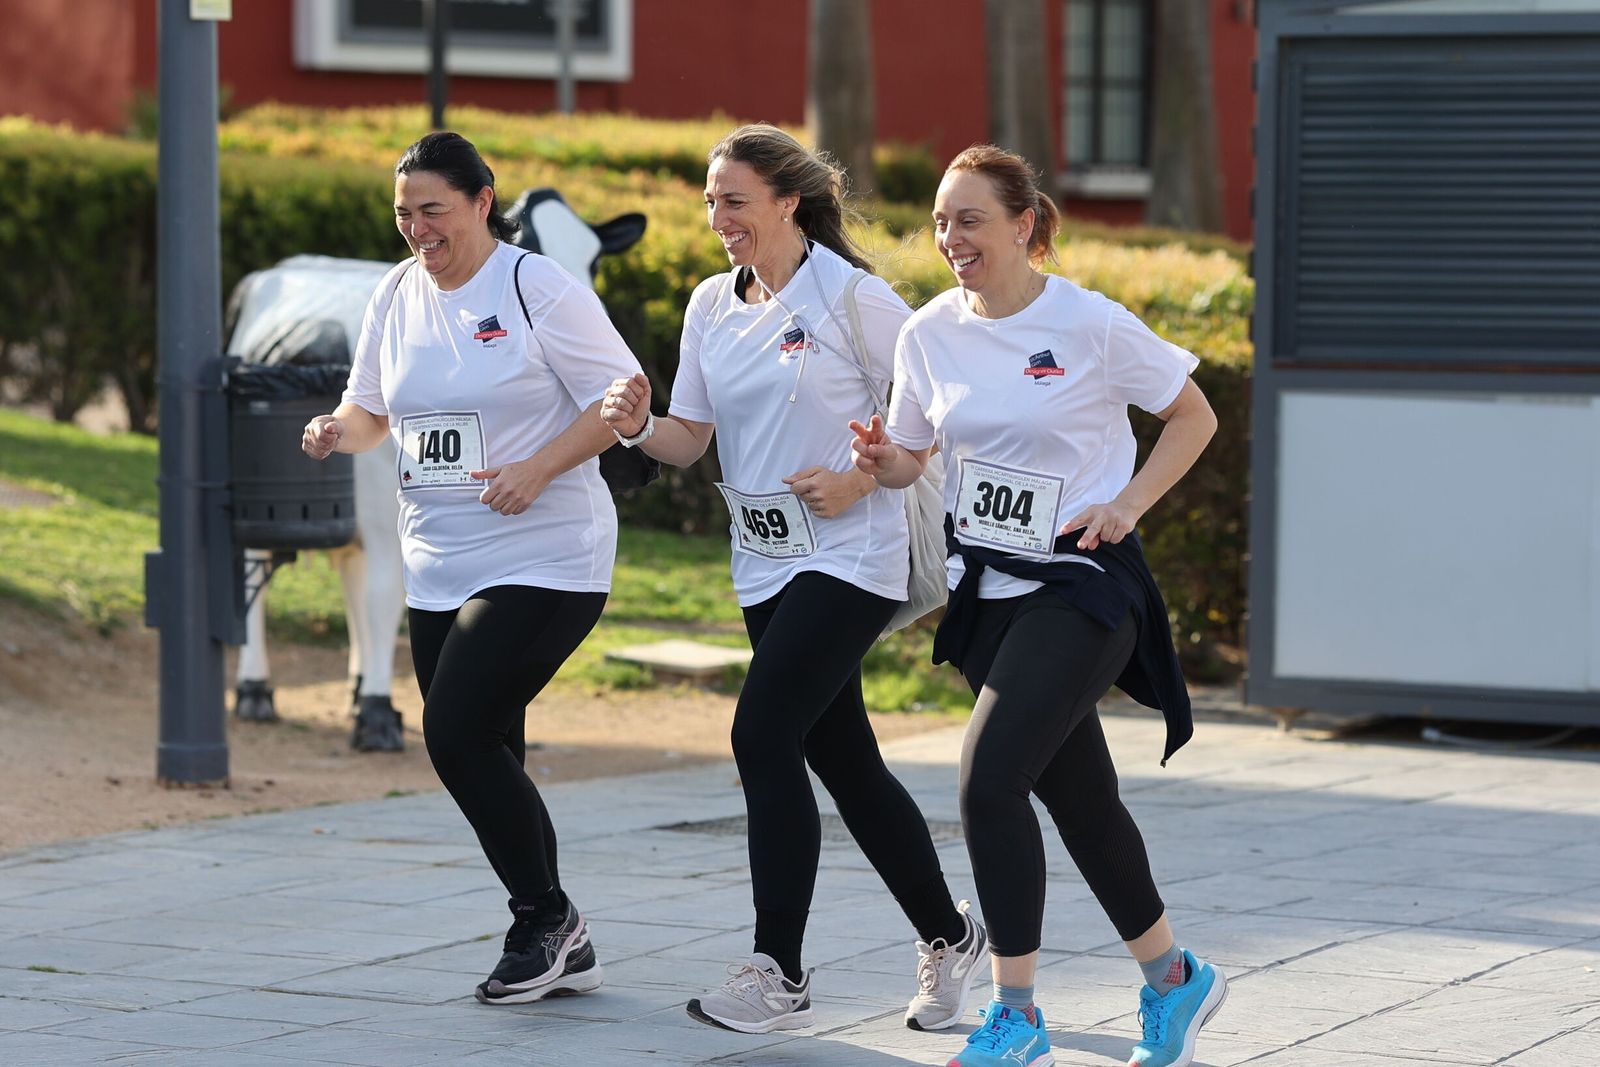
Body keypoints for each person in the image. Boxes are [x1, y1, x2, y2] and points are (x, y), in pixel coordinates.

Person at [601, 125, 987, 1036]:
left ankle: (780, 968)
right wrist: (634, 423)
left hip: (852, 553)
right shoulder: (710, 305)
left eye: (733, 199)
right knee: (843, 759)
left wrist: (862, 475)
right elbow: (689, 441)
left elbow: (937, 418)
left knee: (762, 728)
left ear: (787, 200)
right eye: (709, 200)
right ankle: (951, 932)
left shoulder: (855, 299)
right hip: (762, 560)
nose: (717, 218)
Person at [850, 144, 1226, 1067]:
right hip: (992, 595)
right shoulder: (929, 332)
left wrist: (1127, 504)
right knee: (1085, 803)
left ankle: (1017, 1015)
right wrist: (881, 460)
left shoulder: (1089, 323)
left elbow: (1195, 414)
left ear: (1025, 224)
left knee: (986, 778)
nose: (950, 238)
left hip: (1087, 585)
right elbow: (912, 452)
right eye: (941, 221)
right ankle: (1176, 980)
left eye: (970, 219)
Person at [301, 131, 641, 1007]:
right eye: (405, 212)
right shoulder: (396, 291)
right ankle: (555, 938)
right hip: (439, 558)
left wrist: (540, 466)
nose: (418, 228)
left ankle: (547, 917)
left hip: (548, 553)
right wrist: (338, 428)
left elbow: (621, 399)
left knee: (453, 733)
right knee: (490, 741)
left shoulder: (536, 287)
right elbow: (373, 410)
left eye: (434, 210)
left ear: (483, 202)